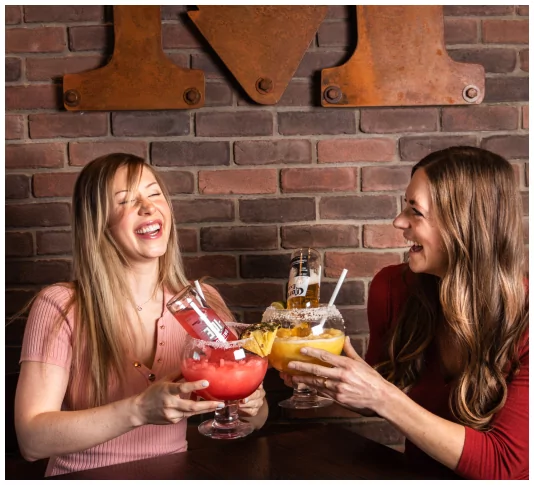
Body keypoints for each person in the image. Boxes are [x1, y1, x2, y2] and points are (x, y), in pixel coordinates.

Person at [14, 153, 268, 477]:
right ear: (99, 222)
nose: (147, 207)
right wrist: (139, 410)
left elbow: (256, 419)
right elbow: (32, 439)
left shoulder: (201, 304)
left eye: (154, 193)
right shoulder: (62, 306)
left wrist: (250, 405)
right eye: (125, 201)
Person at [283, 146, 528, 480]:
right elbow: (379, 393)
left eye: (416, 212)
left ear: (465, 225)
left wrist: (382, 395)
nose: (399, 222)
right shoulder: (392, 288)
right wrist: (332, 380)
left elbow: (504, 465)